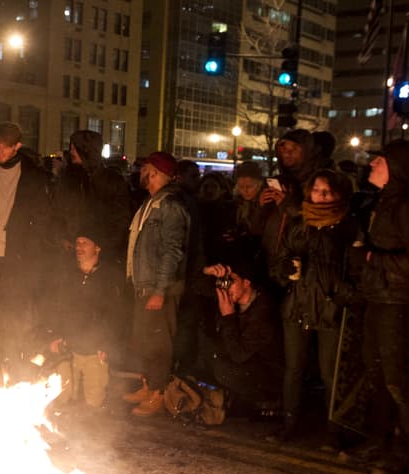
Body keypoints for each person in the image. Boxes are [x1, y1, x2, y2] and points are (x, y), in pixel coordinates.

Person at [357, 140, 409, 474]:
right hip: (381, 298)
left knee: (399, 380)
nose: (372, 164)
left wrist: (375, 259)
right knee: (377, 375)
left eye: (380, 160)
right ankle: (381, 440)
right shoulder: (386, 203)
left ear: (396, 168)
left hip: (400, 304)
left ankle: (407, 453)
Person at [271, 169, 359, 439]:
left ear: (340, 194)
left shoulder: (348, 226)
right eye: (317, 190)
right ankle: (290, 425)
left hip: (331, 308)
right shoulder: (299, 223)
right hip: (298, 305)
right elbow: (279, 262)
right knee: (294, 368)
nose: (322, 196)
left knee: (330, 372)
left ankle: (336, 431)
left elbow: (357, 270)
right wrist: (284, 269)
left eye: (328, 191)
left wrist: (342, 293)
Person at [0, 121, 52, 362]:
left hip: (16, 256)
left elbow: (40, 218)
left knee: (14, 311)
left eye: (4, 147)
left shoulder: (33, 177)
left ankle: (15, 360)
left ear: (17, 146)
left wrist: (28, 250)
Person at [124, 152, 190, 417]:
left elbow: (173, 251)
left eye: (149, 171)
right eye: (145, 170)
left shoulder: (169, 206)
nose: (144, 174)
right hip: (146, 285)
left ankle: (158, 394)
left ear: (159, 173)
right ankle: (148, 386)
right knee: (146, 342)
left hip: (158, 288)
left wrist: (160, 291)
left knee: (159, 345)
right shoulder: (152, 203)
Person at [43, 227, 120, 410]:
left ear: (98, 248)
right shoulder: (67, 274)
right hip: (70, 349)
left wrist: (106, 344)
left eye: (85, 242)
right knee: (60, 398)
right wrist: (55, 336)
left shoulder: (109, 277)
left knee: (93, 403)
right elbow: (57, 307)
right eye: (78, 242)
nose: (80, 246)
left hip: (94, 351)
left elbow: (116, 315)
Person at [201, 258, 283, 413]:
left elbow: (239, 354)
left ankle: (266, 401)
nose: (227, 286)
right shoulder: (235, 297)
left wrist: (228, 317)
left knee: (224, 370)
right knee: (207, 344)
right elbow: (196, 286)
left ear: (246, 282)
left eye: (231, 280)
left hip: (269, 372)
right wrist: (208, 271)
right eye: (225, 281)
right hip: (250, 361)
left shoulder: (263, 311)